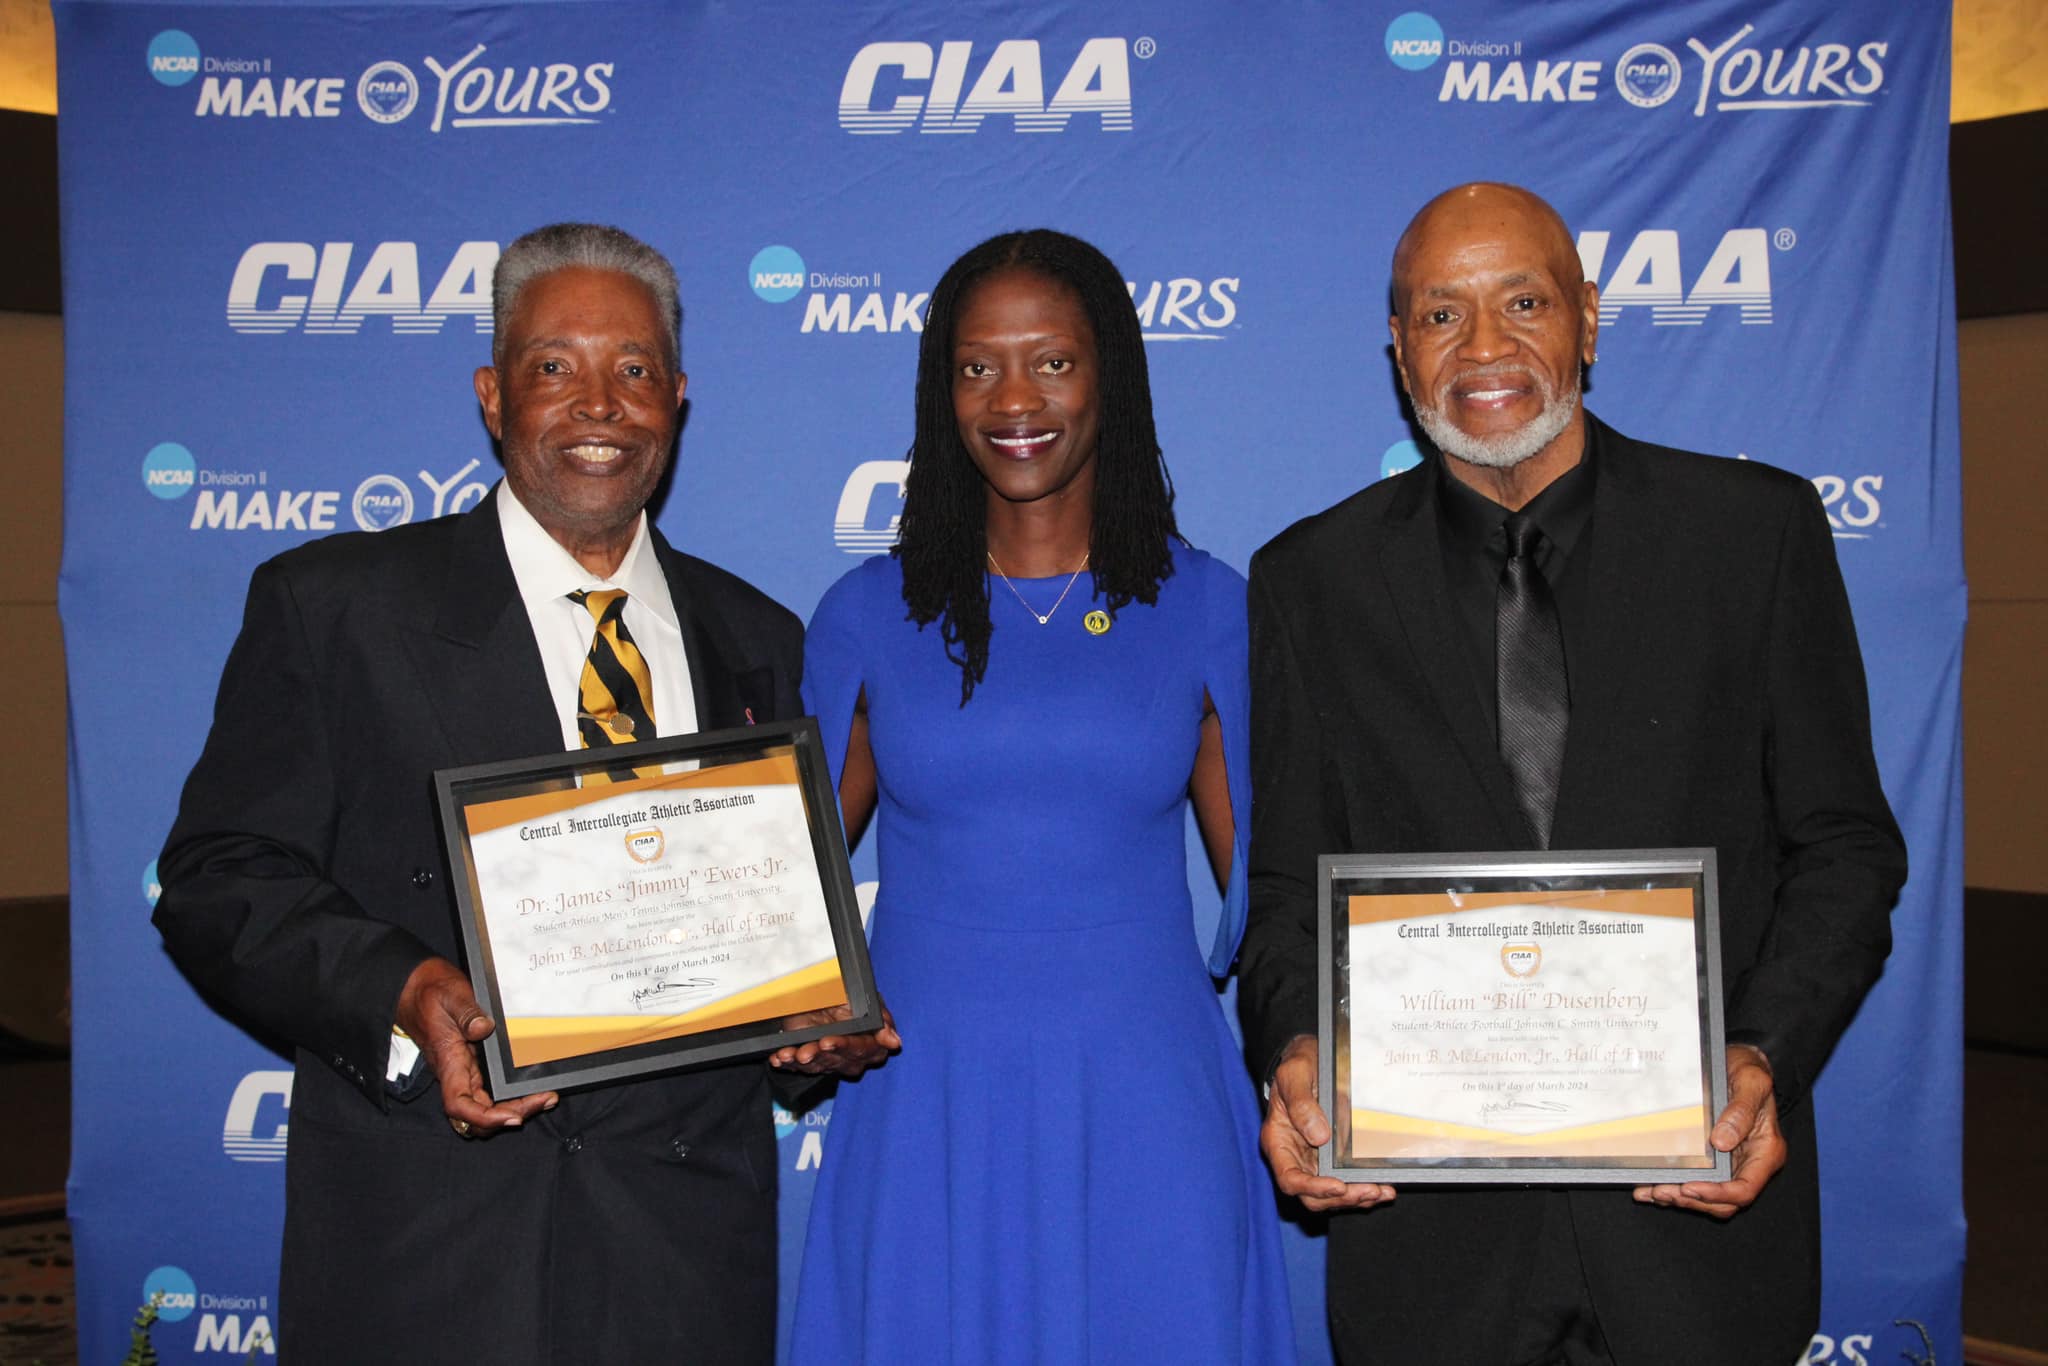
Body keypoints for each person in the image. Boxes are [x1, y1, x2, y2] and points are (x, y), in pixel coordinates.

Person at [153, 222, 890, 1365]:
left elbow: (766, 929)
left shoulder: (758, 641)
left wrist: (812, 1022)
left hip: (682, 1257)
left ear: (677, 400)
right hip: (430, 1247)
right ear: (494, 396)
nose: (599, 404)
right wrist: (400, 987)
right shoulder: (337, 607)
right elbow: (216, 880)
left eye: (634, 370)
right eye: (556, 368)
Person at [1239, 183, 1907, 1366]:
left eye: (1523, 301)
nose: (1483, 348)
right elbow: (1289, 893)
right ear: (1397, 350)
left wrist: (1760, 1051)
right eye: (1440, 315)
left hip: (1693, 1233)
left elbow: (1844, 847)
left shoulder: (1752, 534)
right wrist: (1297, 1051)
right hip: (1429, 1251)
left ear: (1588, 319)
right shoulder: (1311, 581)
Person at [786, 229, 1293, 1364]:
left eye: (1052, 361)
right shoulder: (866, 615)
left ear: (1110, 373)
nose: (1013, 397)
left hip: (1143, 1096)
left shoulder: (1210, 606)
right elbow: (782, 892)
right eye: (976, 367)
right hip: (928, 1099)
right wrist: (794, 1016)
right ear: (940, 390)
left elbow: (1270, 900)